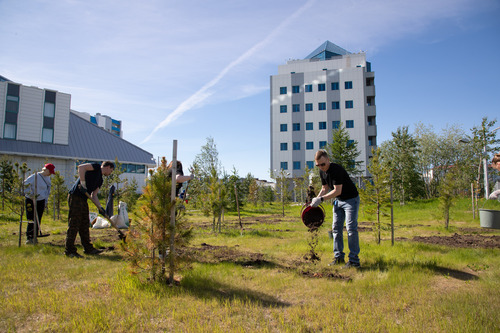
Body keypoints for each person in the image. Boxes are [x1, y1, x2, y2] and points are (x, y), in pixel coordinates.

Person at [310, 150, 361, 268]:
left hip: (350, 200)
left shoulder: (336, 170)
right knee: (336, 229)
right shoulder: (322, 171)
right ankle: (338, 258)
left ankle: (354, 261)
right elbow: (325, 188)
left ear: (328, 160)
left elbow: (338, 190)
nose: (321, 167)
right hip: (338, 201)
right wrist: (316, 200)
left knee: (351, 229)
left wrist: (321, 200)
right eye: (318, 165)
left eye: (323, 164)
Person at [65, 161, 115, 258]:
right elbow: (81, 168)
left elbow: (94, 195)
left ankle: (88, 248)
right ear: (108, 167)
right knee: (74, 223)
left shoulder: (100, 180)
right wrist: (83, 184)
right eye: (111, 171)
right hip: (75, 196)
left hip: (83, 199)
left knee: (84, 223)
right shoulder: (96, 167)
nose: (110, 173)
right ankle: (69, 250)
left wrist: (100, 208)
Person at [24, 163, 55, 244]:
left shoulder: (48, 178)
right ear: (45, 169)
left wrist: (45, 201)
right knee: (31, 218)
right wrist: (31, 194)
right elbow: (25, 184)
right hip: (31, 200)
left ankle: (35, 236)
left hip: (41, 200)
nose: (50, 174)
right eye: (50, 171)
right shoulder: (35, 176)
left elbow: (47, 190)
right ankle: (29, 237)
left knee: (38, 219)